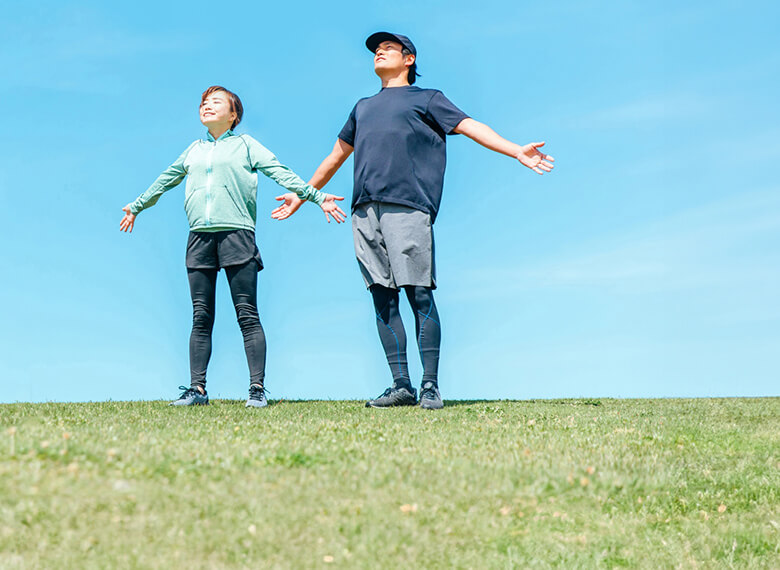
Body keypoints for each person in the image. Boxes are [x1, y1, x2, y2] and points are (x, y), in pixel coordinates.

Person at [272, 33, 554, 409]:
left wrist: (515, 149)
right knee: (382, 296)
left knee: (418, 291)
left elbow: (471, 127)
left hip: (408, 206)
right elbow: (335, 156)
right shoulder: (362, 107)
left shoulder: (427, 99)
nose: (379, 52)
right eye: (376, 49)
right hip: (364, 209)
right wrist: (302, 195)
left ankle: (430, 386)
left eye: (387, 48)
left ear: (409, 59)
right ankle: (400, 386)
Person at [120, 85, 346, 408]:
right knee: (201, 316)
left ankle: (256, 389)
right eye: (203, 103)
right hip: (199, 238)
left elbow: (281, 173)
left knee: (247, 314)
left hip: (237, 236)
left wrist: (318, 197)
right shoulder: (193, 151)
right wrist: (136, 206)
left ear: (233, 114)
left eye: (215, 102)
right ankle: (197, 390)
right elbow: (164, 180)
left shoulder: (246, 145)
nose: (206, 107)